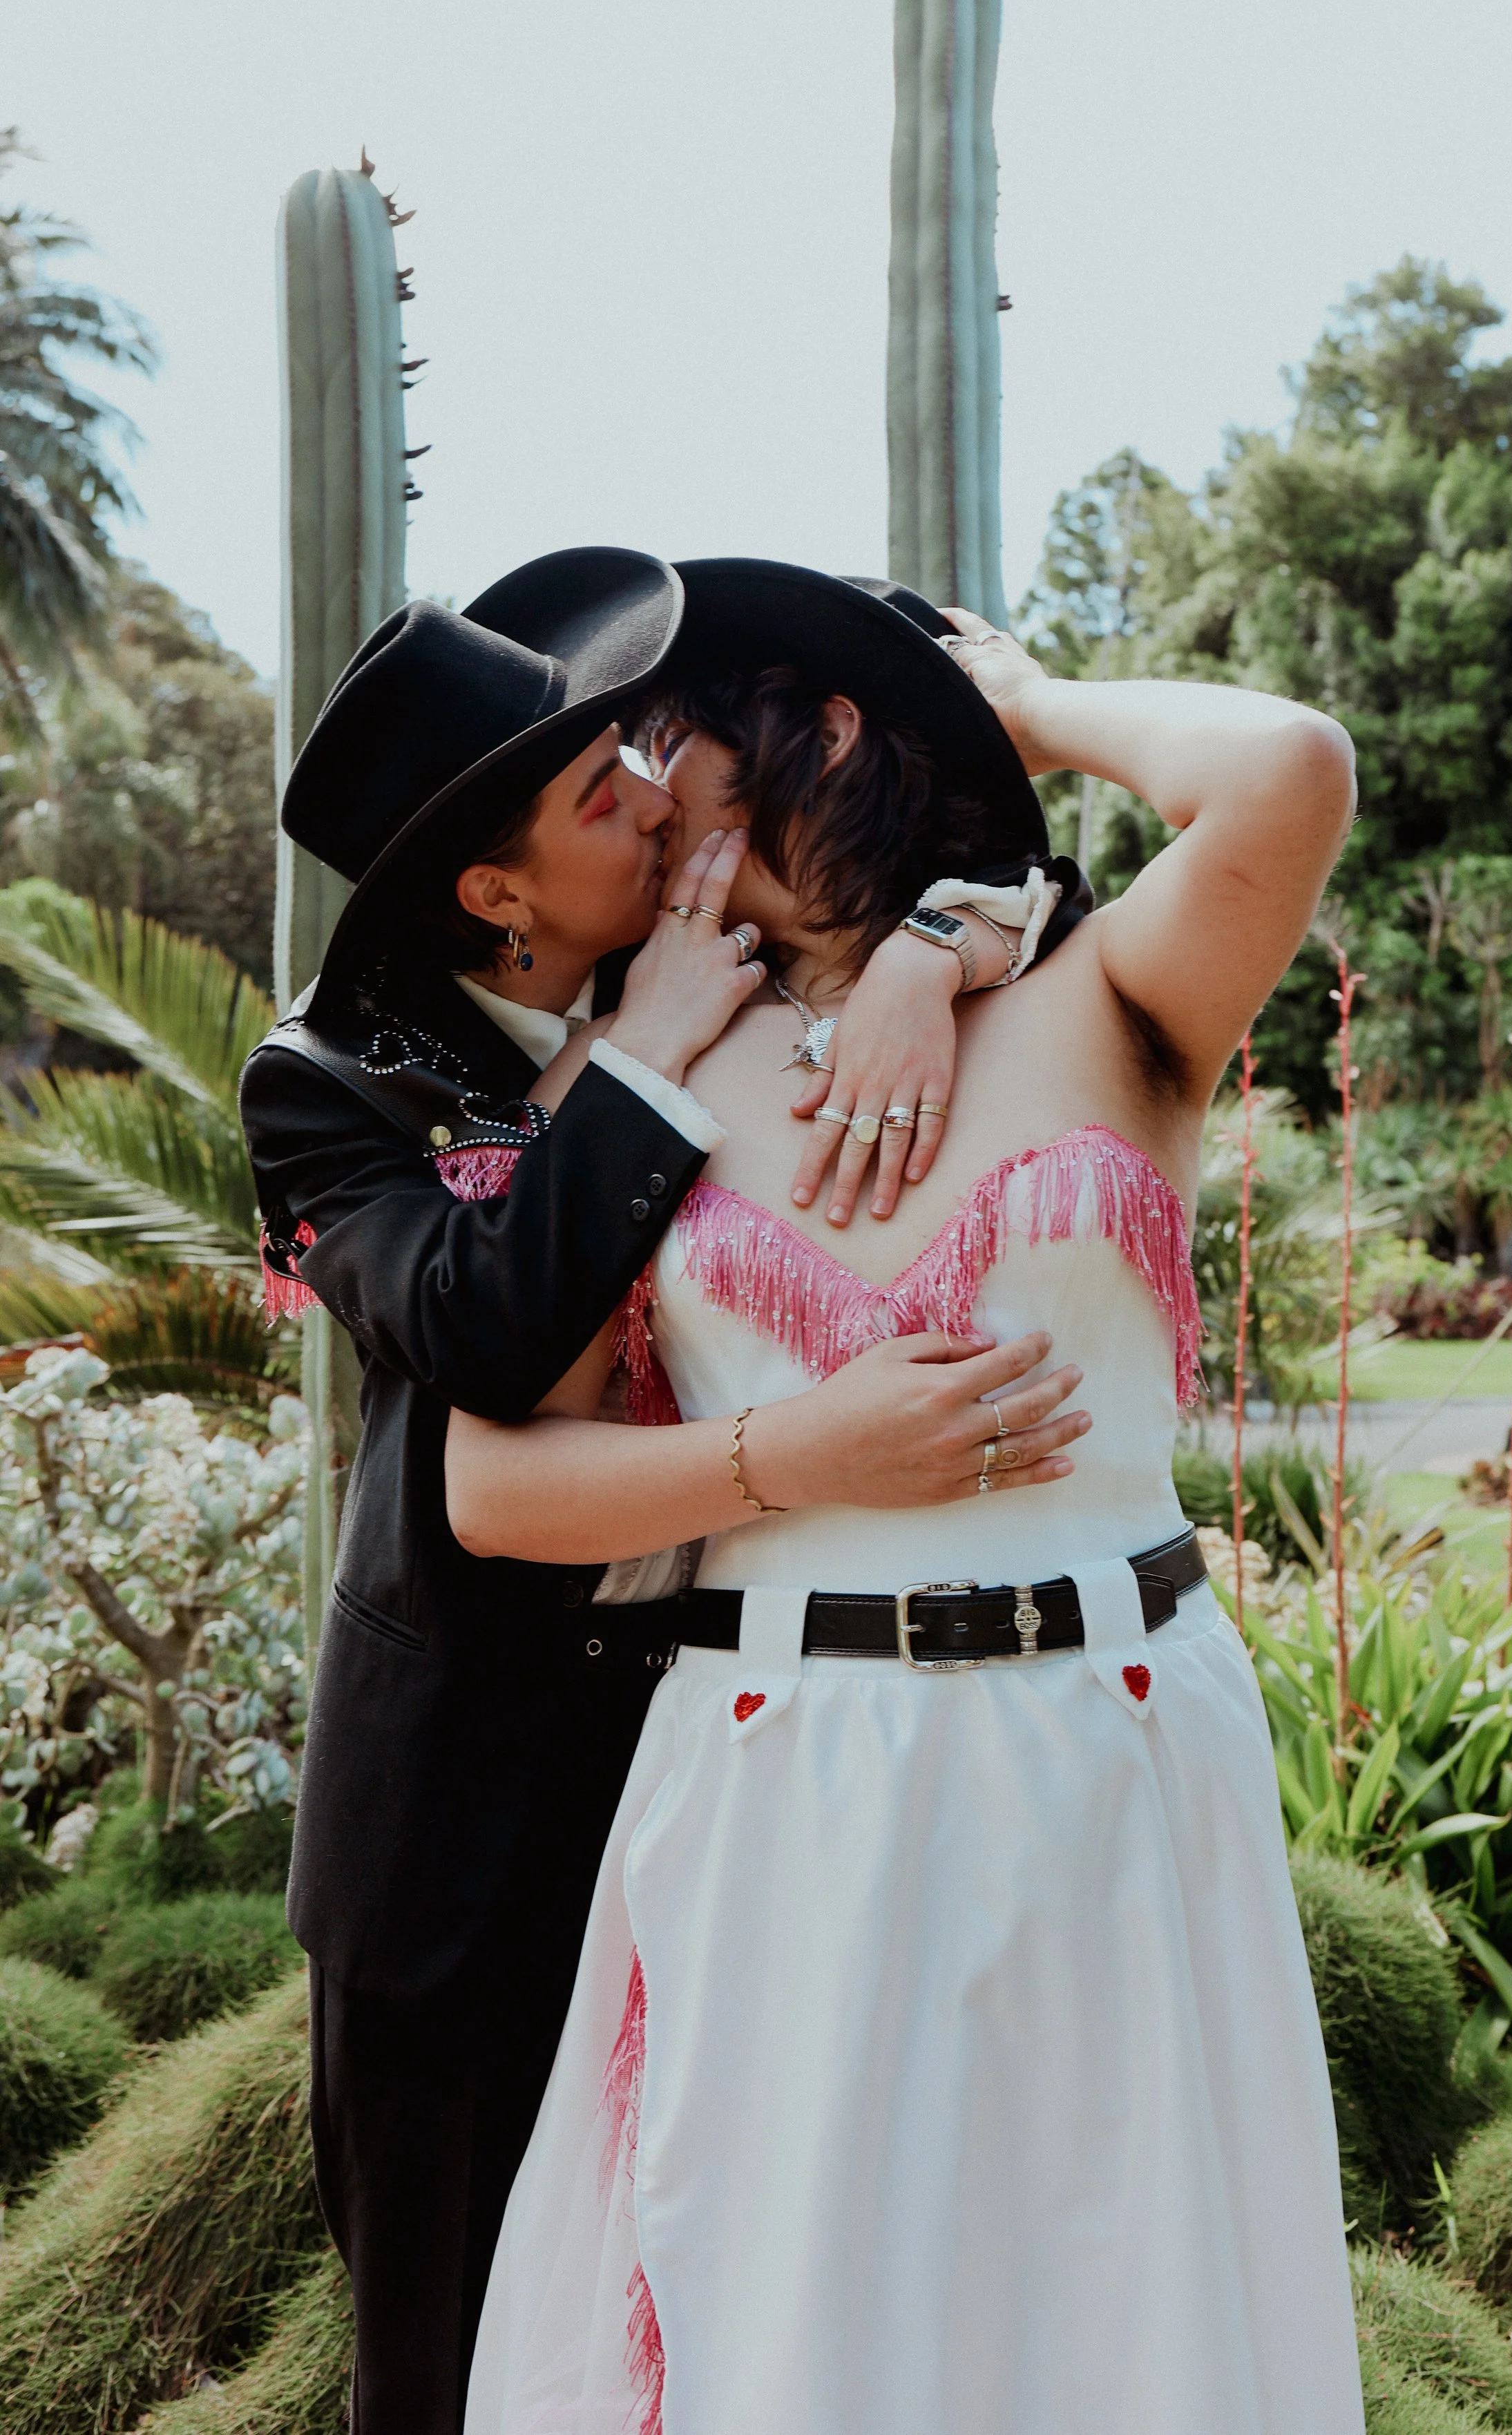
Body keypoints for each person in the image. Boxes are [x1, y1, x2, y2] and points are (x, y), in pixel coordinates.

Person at [450, 562, 1366, 2435]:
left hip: (1110, 1759)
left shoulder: (1109, 991)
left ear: (830, 725)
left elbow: (1284, 766)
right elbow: (495, 1482)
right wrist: (795, 1455)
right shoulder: (628, 1067)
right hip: (790, 1772)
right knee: (792, 2322)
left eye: (669, 732)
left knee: (1126, 2321)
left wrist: (1016, 714)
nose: (635, 781)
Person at [238, 551, 1077, 2435]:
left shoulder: (718, 946)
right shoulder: (331, 1086)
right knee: (452, 2363)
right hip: (454, 1830)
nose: (663, 786)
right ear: (493, 891)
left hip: (720, 1789)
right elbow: (474, 1324)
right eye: (602, 785)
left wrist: (935, 953)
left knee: (691, 2329)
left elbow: (1048, 878)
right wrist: (636, 1062)